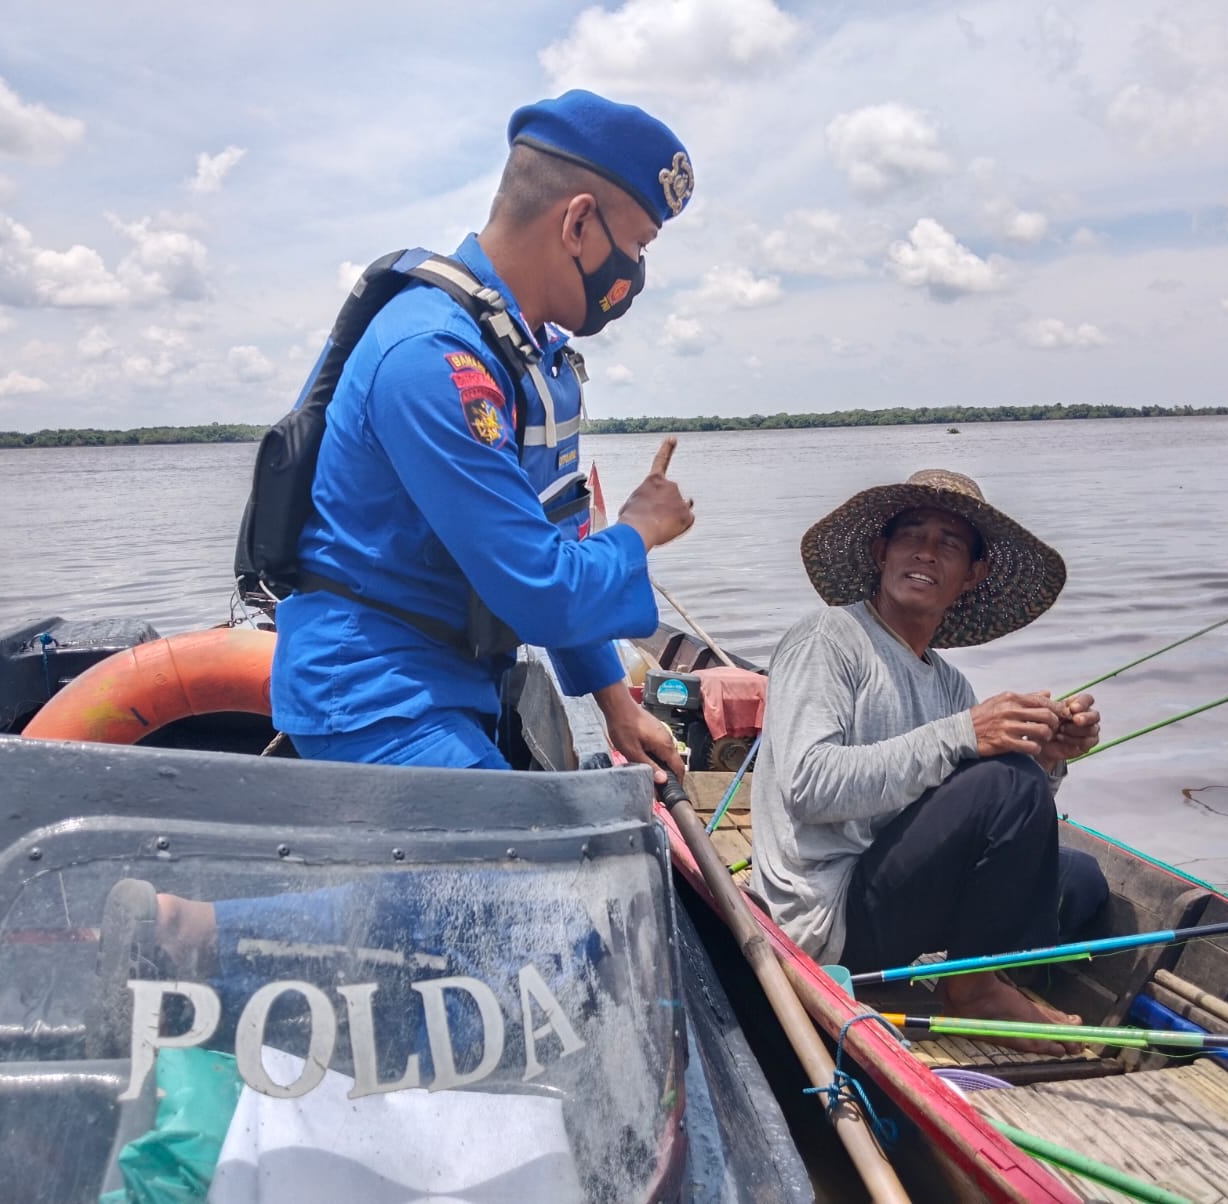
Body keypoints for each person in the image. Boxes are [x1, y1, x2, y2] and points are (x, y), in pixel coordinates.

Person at [270, 89, 698, 776]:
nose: (637, 276)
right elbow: (544, 592)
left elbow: (550, 539)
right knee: (519, 881)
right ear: (579, 223)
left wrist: (618, 706)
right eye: (638, 247)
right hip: (373, 692)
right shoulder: (433, 360)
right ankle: (189, 895)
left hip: (453, 676)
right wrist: (640, 529)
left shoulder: (526, 358)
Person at [750, 469, 1109, 1046]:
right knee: (1008, 782)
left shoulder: (947, 683)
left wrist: (1049, 758)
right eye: (911, 535)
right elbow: (809, 788)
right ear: (880, 551)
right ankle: (976, 991)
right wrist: (968, 735)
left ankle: (986, 973)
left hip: (894, 890)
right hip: (830, 916)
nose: (925, 553)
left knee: (1083, 881)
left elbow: (996, 824)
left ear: (973, 575)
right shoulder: (830, 639)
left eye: (950, 543)